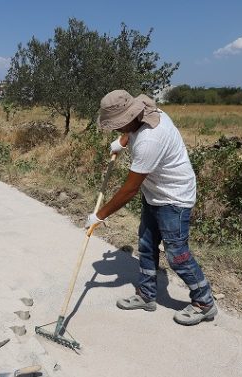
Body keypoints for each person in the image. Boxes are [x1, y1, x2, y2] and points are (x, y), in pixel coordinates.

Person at [85, 90, 216, 326]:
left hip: (174, 198)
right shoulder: (144, 108)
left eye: (118, 126)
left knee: (177, 255)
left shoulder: (150, 140)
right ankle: (146, 295)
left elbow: (130, 189)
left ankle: (204, 302)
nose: (116, 129)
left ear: (129, 117)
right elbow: (131, 128)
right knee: (146, 245)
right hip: (155, 193)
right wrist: (122, 142)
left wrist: (99, 215)